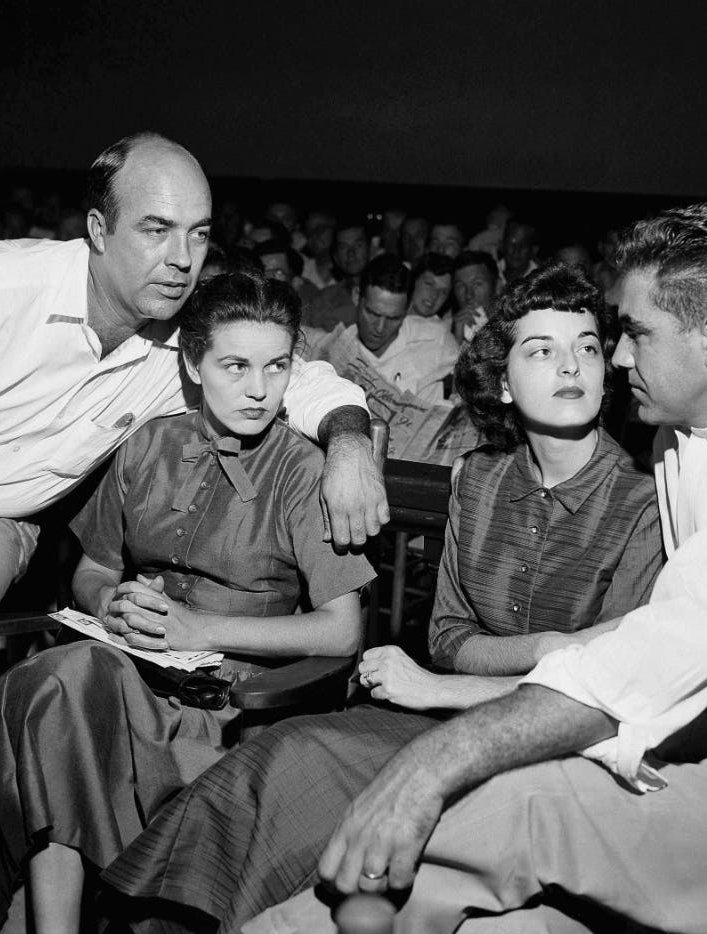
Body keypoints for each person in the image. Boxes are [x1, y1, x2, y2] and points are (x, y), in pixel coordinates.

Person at [235, 201, 707, 934]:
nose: (615, 359)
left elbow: (652, 656)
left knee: (523, 806)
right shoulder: (681, 439)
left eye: (633, 334)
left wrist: (429, 765)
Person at [0, 131, 384, 934]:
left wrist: (349, 444)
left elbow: (288, 374)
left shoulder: (181, 346)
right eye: (156, 229)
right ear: (98, 231)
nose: (181, 257)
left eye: (198, 235)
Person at [100, 262, 664, 932]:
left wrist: (457, 682)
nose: (571, 366)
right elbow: (451, 638)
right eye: (542, 350)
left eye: (589, 348)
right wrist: (551, 650)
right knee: (285, 756)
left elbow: (617, 688)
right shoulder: (477, 480)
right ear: (504, 383)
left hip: (567, 748)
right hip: (442, 713)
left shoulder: (645, 502)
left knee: (336, 805)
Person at [0, 271, 377, 934]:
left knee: (65, 700)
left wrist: (198, 626)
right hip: (137, 677)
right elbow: (93, 568)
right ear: (193, 363)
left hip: (239, 708)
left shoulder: (302, 470)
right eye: (235, 365)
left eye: (277, 367)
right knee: (62, 685)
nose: (258, 389)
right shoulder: (148, 444)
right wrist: (110, 604)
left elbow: (342, 633)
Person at [305, 254, 460, 402]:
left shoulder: (435, 338)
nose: (379, 328)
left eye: (393, 318)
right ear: (356, 296)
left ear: (407, 309)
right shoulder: (336, 349)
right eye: (372, 313)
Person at [451, 250, 499, 342]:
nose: (469, 295)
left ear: (497, 286)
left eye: (477, 284)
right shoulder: (444, 329)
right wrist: (456, 341)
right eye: (461, 286)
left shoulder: (515, 325)